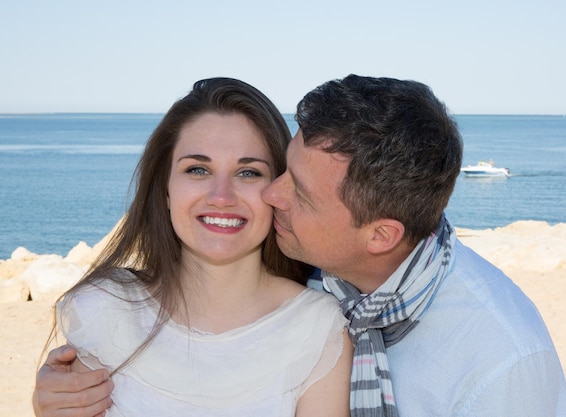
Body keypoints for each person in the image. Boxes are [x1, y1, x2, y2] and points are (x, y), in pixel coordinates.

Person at [34, 74, 566, 416]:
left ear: (380, 235)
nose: (269, 194)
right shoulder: (330, 275)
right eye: (197, 168)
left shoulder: (502, 362)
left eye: (257, 173)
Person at [34, 77, 352, 417]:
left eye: (248, 173)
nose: (221, 197)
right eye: (198, 169)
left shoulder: (318, 330)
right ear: (166, 189)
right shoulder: (105, 309)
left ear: (278, 189)